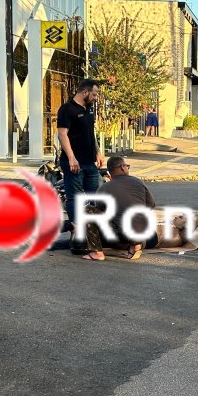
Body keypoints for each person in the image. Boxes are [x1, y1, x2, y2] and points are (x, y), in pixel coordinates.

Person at [81, 155, 159, 261]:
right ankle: (135, 245)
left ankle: (97, 252)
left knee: (88, 210)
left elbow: (99, 211)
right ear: (122, 167)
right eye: (127, 166)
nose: (127, 168)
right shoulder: (138, 182)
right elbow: (151, 205)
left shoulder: (104, 188)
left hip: (121, 235)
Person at [57, 79, 104, 231]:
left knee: (95, 197)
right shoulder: (67, 109)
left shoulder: (90, 108)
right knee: (75, 199)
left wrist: (97, 151)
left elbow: (91, 132)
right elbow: (62, 134)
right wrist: (71, 157)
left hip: (90, 163)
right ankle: (77, 231)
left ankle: (94, 230)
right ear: (85, 92)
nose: (95, 98)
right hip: (74, 163)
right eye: (94, 94)